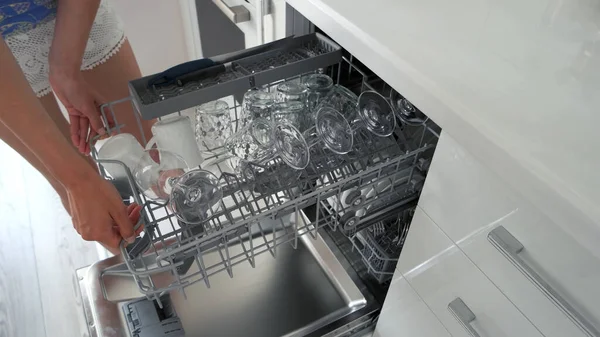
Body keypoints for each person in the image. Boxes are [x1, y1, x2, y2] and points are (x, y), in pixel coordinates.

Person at [0, 0, 151, 252]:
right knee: (87, 194)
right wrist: (77, 181)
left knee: (153, 157)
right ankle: (151, 275)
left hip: (68, 11)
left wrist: (65, 69)